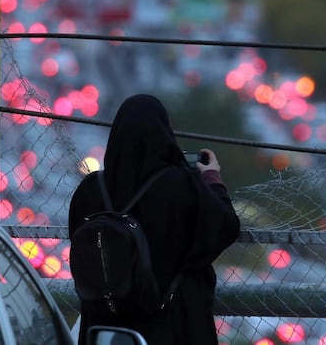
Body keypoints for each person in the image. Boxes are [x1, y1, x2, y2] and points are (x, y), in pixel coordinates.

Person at [68, 94, 241, 345]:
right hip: (171, 327)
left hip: (104, 328)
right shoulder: (181, 187)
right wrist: (212, 179)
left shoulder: (90, 190)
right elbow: (225, 226)